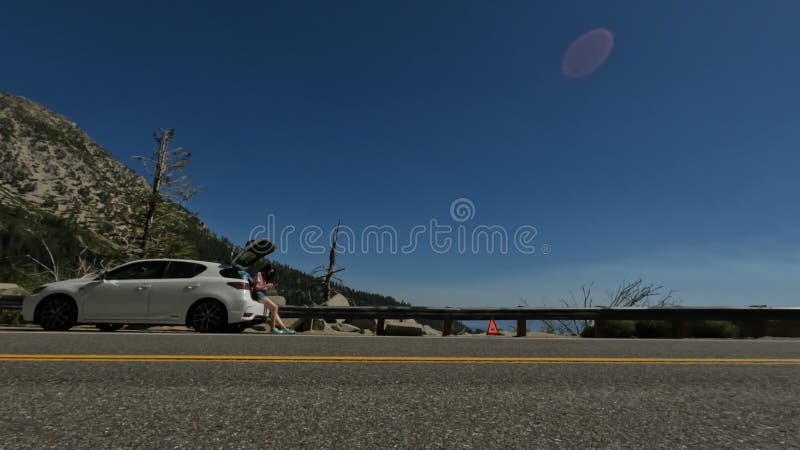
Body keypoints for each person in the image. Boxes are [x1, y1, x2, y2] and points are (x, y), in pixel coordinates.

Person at [251, 263, 294, 334]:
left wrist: (268, 287)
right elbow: (257, 287)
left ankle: (284, 329)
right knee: (275, 307)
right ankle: (273, 329)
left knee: (274, 310)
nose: (270, 273)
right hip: (258, 295)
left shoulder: (264, 277)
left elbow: (262, 287)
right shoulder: (259, 274)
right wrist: (266, 285)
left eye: (272, 272)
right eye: (270, 271)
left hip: (261, 294)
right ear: (267, 269)